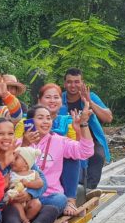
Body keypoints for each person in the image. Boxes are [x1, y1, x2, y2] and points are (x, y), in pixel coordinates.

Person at [0, 117, 58, 223]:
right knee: (10, 209)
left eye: (10, 134)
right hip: (2, 211)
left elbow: (42, 182)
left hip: (26, 207)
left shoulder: (20, 155)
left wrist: (29, 194)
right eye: (1, 134)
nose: (6, 138)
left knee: (51, 209)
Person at [16, 83, 79, 216]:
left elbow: (78, 147)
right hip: (28, 175)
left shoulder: (68, 120)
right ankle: (39, 213)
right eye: (48, 97)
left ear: (61, 101)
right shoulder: (25, 122)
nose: (52, 101)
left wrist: (81, 128)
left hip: (60, 167)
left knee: (71, 155)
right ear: (39, 100)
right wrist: (26, 141)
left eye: (56, 97)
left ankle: (70, 199)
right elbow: (15, 148)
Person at [21, 103, 94, 216]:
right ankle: (37, 215)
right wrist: (24, 144)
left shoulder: (59, 141)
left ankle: (34, 214)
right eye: (40, 118)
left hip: (49, 197)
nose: (46, 121)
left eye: (48, 118)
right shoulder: (19, 142)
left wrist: (84, 124)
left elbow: (86, 152)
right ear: (29, 122)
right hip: (24, 195)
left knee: (60, 200)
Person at [61, 68, 112, 189]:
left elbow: (108, 117)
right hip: (65, 139)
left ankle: (89, 189)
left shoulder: (90, 96)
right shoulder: (58, 99)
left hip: (90, 139)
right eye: (69, 82)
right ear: (64, 84)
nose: (73, 85)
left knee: (98, 155)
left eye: (77, 82)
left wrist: (89, 102)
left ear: (82, 83)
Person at [6, 147, 44, 223]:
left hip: (29, 201)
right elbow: (4, 184)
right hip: (16, 200)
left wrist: (28, 184)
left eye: (16, 158)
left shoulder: (33, 173)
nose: (12, 160)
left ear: (26, 164)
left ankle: (27, 219)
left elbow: (40, 183)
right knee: (16, 204)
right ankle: (24, 221)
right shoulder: (11, 173)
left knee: (37, 204)